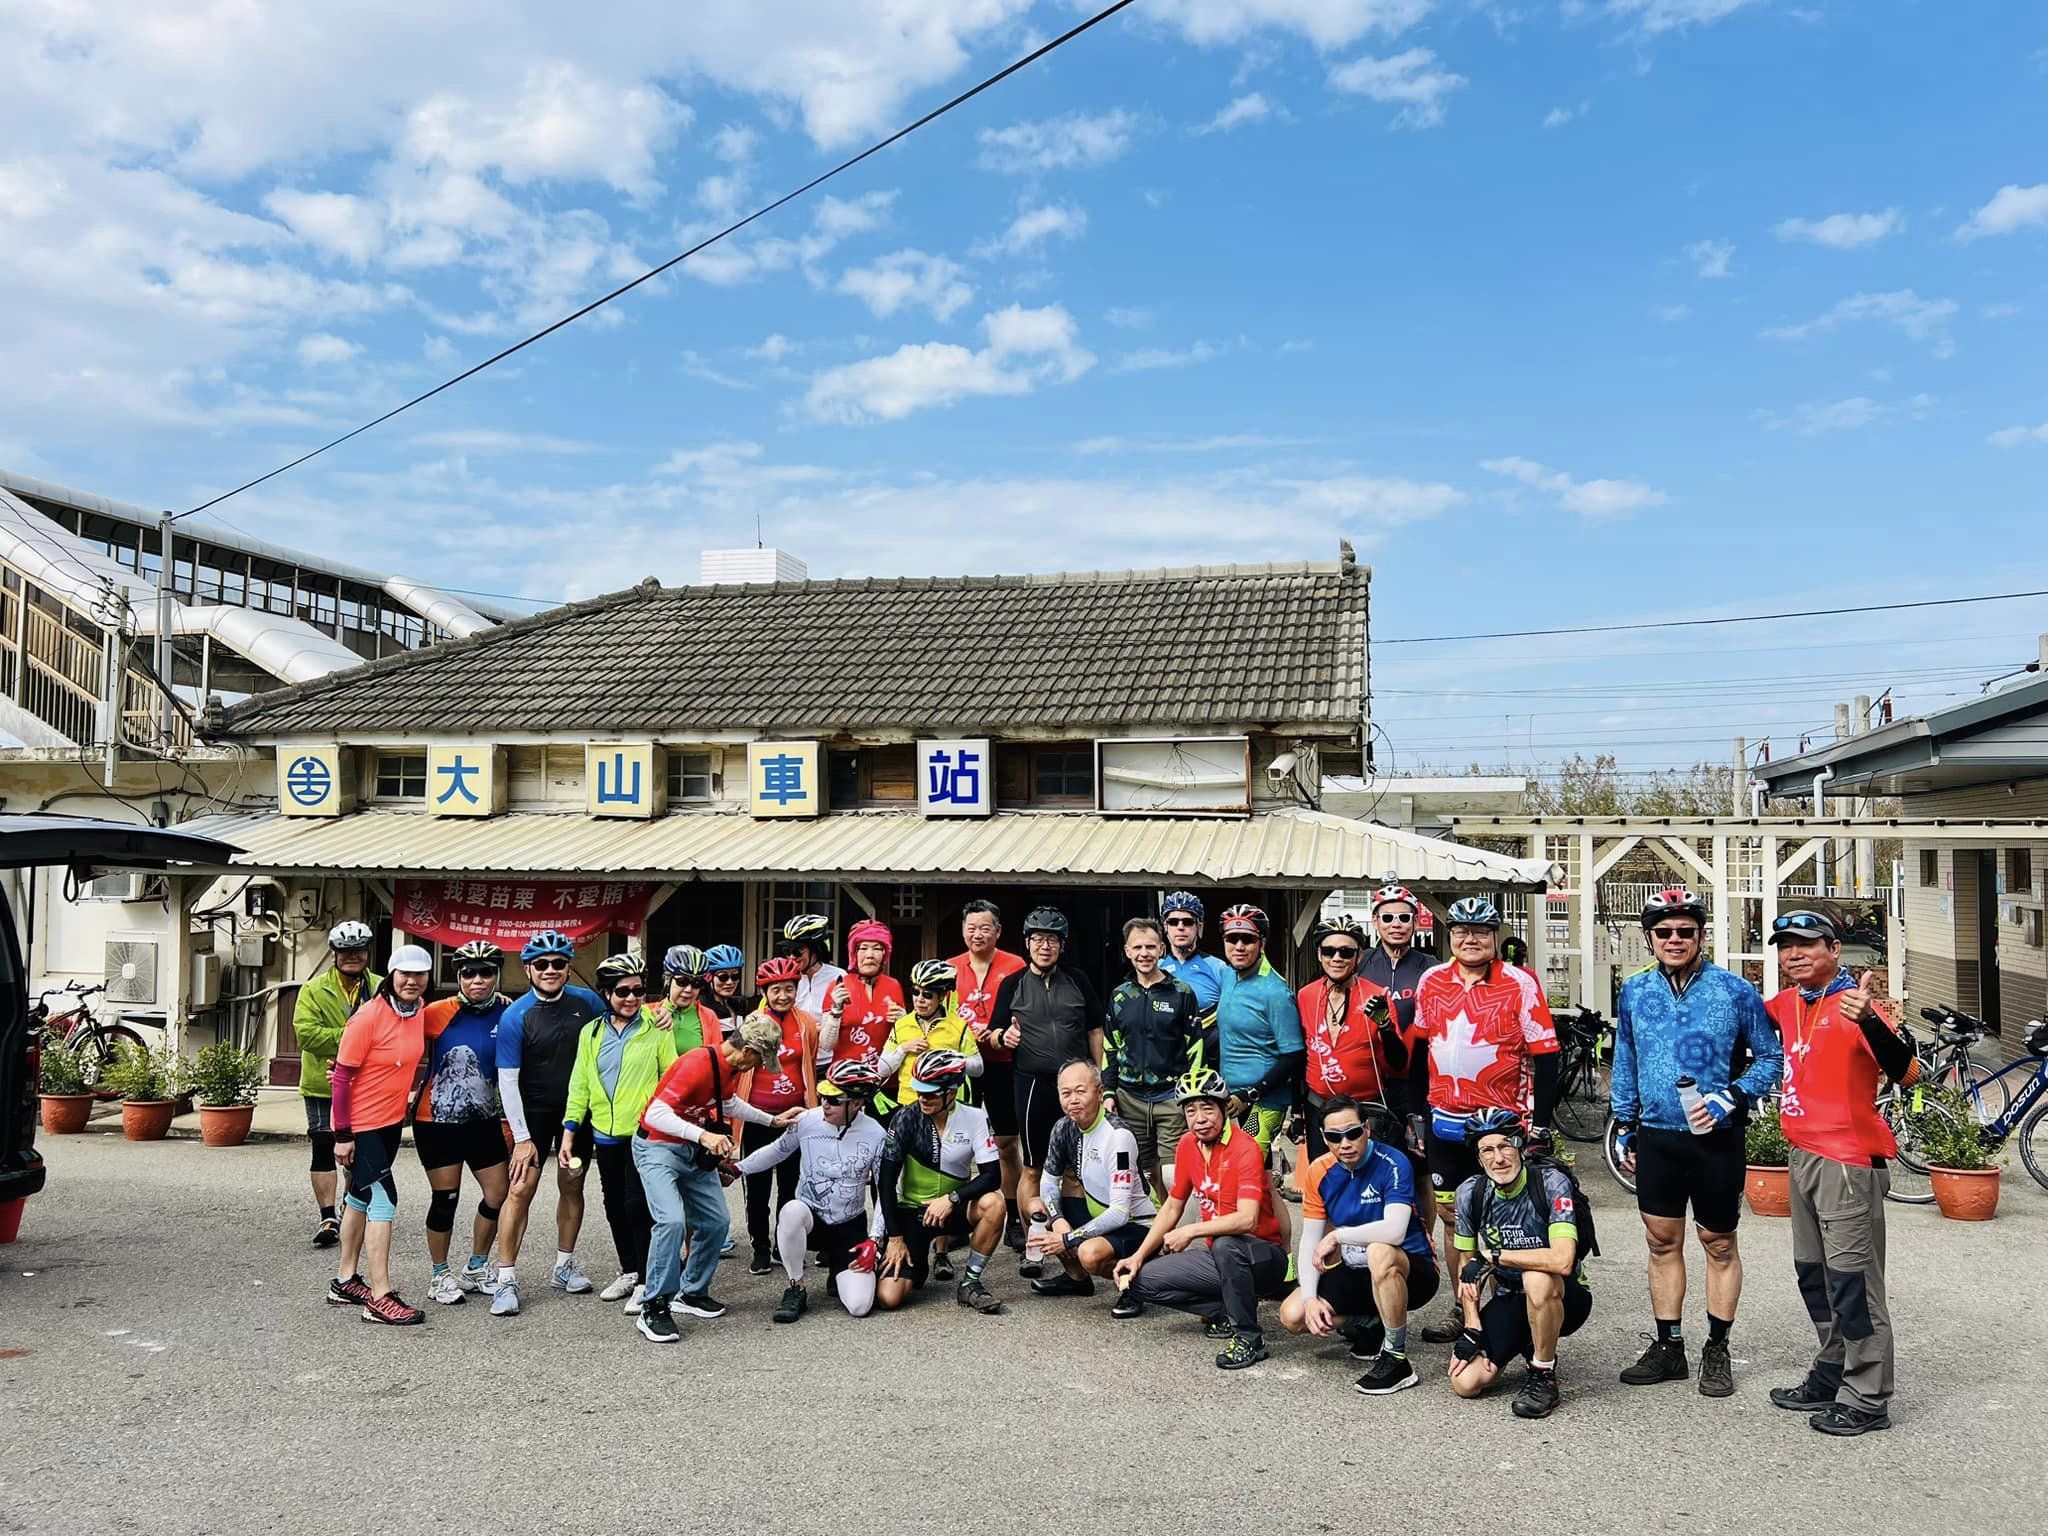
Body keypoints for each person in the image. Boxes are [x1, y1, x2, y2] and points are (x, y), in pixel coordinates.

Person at [1610, 888, 1783, 1399]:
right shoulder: (1635, 990)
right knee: (1661, 1241)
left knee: (1719, 1243)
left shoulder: (1734, 991)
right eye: (1664, 932)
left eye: (1686, 931)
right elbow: (1626, 1056)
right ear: (1649, 938)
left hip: (1716, 1138)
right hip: (1658, 1135)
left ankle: (1717, 1348)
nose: (1675, 939)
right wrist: (1623, 1123)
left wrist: (1730, 1098)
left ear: (1702, 936)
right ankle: (1670, 1348)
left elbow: (1770, 1059)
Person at [1763, 910, 1915, 1436]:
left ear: (1834, 948)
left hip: (1848, 1161)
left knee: (1854, 1284)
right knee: (1814, 1276)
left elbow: (1908, 1071)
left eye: (1806, 945)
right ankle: (1832, 1371)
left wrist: (1871, 1018)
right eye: (1785, 947)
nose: (1794, 954)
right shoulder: (1786, 1004)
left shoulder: (1858, 1005)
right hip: (1802, 1153)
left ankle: (1869, 1396)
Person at [1412, 896, 1559, 1324]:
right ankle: (1464, 1307)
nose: (1470, 939)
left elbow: (1546, 1056)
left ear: (1495, 938)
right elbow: (1422, 1049)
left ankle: (1507, 1308)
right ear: (1450, 937)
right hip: (1444, 1121)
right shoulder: (1432, 980)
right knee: (1452, 1214)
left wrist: (1542, 1125)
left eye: (1480, 931)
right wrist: (1419, 1115)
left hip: (1498, 1122)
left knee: (1502, 1213)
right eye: (1461, 931)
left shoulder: (1519, 982)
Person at [1112, 1069, 1291, 1370]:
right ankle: (1225, 1311)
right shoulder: (1187, 1146)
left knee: (1224, 1244)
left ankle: (1249, 1337)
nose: (1200, 1118)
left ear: (1223, 1108)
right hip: (1221, 1255)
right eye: (1191, 1110)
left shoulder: (1245, 1148)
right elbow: (1172, 1207)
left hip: (1263, 1258)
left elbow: (1247, 1219)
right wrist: (1138, 1256)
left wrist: (1190, 1232)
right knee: (1139, 1281)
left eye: (1208, 1108)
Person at [633, 1014, 788, 1342]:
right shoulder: (697, 1063)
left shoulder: (728, 1068)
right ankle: (654, 1306)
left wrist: (772, 1121)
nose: (759, 1067)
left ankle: (691, 1292)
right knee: (672, 1222)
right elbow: (656, 1114)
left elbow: (728, 1103)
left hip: (691, 1150)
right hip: (657, 1147)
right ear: (746, 1050)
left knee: (716, 1221)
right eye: (760, 1059)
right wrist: (704, 1136)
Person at [1280, 1096, 1440, 1394]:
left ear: (1366, 1129)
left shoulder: (1393, 1161)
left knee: (1380, 1250)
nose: (1345, 1143)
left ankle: (1396, 1359)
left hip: (1410, 1269)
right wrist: (1311, 1298)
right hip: (1357, 1270)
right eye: (1334, 1137)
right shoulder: (1319, 1171)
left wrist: (1338, 1236)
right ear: (1324, 1139)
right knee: (1294, 1315)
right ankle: (1371, 1323)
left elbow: (1393, 1231)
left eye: (1353, 1132)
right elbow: (1310, 1241)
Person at [488, 929, 607, 1318]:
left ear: (569, 968)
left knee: (572, 1184)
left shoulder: (588, 1002)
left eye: (558, 963)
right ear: (528, 969)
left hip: (577, 1114)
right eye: (542, 964)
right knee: (520, 1190)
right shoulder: (515, 1016)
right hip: (533, 1113)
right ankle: (505, 1278)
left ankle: (564, 1266)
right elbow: (507, 1081)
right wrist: (522, 1137)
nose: (550, 970)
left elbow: (620, 1030)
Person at [1444, 1109, 1594, 1419]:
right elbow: (1465, 1265)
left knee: (1536, 1278)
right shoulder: (1470, 1193)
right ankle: (1530, 1339)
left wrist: (1494, 1256)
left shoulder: (1550, 1182)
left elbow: (1563, 1260)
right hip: (1510, 1296)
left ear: (1520, 1146)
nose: (1498, 1158)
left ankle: (1543, 1374)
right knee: (1465, 1382)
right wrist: (1471, 1325)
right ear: (1478, 1157)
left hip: (1566, 1295)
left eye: (1505, 1146)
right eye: (1488, 1150)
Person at [562, 952, 678, 1319]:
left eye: (639, 991)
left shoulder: (657, 1027)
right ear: (605, 993)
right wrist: (569, 1130)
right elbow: (579, 1083)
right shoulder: (591, 1032)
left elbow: (670, 1078)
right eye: (622, 991)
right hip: (604, 1133)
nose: (632, 998)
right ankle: (630, 1270)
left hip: (643, 1132)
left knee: (636, 1204)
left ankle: (647, 1281)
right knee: (613, 1203)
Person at [991, 906, 1105, 1277]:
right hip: (1034, 1083)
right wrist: (1002, 1038)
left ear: (1061, 946)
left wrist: (1100, 1077)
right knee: (1032, 1169)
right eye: (1038, 939)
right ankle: (1033, 1245)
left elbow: (1094, 1031)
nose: (1044, 945)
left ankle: (1073, 1242)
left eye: (1052, 939)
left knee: (1074, 1169)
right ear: (1027, 943)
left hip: (1076, 1085)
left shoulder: (1078, 982)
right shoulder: (1012, 983)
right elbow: (993, 1034)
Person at [733, 1058, 891, 1324]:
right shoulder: (807, 1121)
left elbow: (884, 1190)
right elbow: (776, 1152)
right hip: (811, 1220)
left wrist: (874, 1241)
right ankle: (796, 1286)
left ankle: (838, 1273)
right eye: (822, 1095)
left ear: (856, 1103)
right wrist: (738, 1169)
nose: (824, 1103)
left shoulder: (876, 1134)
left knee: (860, 1307)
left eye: (833, 1099)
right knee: (791, 1210)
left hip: (849, 1226)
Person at [326, 945, 434, 1326]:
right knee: (384, 1201)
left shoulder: (419, 1011)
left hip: (390, 1122)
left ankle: (343, 1281)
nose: (412, 980)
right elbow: (341, 1077)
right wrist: (341, 1134)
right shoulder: (368, 1016)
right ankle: (380, 1296)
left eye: (420, 975)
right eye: (404, 973)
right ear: (391, 975)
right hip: (362, 1125)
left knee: (358, 1198)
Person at [413, 940, 511, 1305]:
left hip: (483, 1119)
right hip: (436, 1121)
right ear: (458, 977)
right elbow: (393, 1042)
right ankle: (440, 1275)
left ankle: (475, 1267)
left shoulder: (507, 1013)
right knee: (446, 1198)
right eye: (469, 973)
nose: (478, 980)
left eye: (486, 972)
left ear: (496, 975)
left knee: (498, 1193)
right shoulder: (435, 1012)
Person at [875, 1049, 1007, 1315]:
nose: (922, 1098)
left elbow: (993, 1176)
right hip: (911, 1212)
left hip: (950, 1208)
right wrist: (895, 1238)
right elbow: (885, 1182)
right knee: (889, 1298)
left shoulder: (975, 1118)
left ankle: (970, 1282)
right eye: (919, 1090)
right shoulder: (905, 1119)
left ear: (953, 1090)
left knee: (994, 1203)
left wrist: (952, 1199)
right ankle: (919, 1264)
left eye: (931, 1092)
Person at [1025, 1059, 1157, 1297]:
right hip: (1096, 1212)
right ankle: (1077, 1279)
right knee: (1035, 1206)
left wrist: (1068, 1239)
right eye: (1066, 1093)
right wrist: (1057, 1220)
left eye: (1080, 1091)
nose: (1072, 1100)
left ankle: (1137, 1287)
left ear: (1098, 1093)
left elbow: (1119, 1213)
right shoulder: (1063, 1127)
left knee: (1089, 1253)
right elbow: (1048, 1182)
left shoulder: (1118, 1137)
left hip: (1137, 1223)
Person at [1297, 916, 1419, 1162]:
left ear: (1359, 957)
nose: (1337, 958)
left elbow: (1398, 1064)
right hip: (1318, 1106)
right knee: (1324, 1185)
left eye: (1346, 952)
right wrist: (1297, 1112)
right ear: (1319, 955)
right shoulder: (1306, 995)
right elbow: (1299, 1055)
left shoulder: (1376, 996)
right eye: (1329, 951)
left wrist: (1385, 1025)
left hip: (1364, 1109)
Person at [1103, 915, 1207, 1200]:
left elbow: (1195, 1047)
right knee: (1142, 1171)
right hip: (1130, 1098)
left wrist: (1193, 1096)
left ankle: (1182, 1231)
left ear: (1162, 949)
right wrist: (1109, 1091)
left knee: (1175, 1173)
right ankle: (1157, 1229)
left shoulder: (1182, 993)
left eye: (1150, 947)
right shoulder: (1120, 996)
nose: (1144, 954)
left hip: (1171, 1098)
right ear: (1127, 951)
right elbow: (1110, 1048)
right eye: (1137, 948)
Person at [293, 920, 379, 1248]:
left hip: (365, 1084)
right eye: (346, 951)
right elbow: (305, 1034)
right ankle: (327, 1216)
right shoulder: (313, 989)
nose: (352, 957)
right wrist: (354, 1039)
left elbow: (388, 1031)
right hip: (320, 1083)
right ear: (335, 954)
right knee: (323, 1148)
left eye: (358, 950)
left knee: (356, 1151)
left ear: (368, 952)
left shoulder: (382, 986)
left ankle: (350, 1205)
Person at [736, 954, 820, 1273]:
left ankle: (782, 1243)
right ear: (764, 992)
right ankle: (759, 1246)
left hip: (796, 1118)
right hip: (758, 1116)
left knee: (791, 1187)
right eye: (775, 990)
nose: (783, 995)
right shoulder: (750, 1023)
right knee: (757, 1187)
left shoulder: (807, 1022)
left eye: (789, 988)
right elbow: (736, 1063)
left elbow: (812, 1064)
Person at [951, 899, 1027, 1251]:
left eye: (985, 928)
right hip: (960, 1066)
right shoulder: (949, 968)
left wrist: (993, 1030)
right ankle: (954, 1221)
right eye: (971, 927)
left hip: (1004, 1064)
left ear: (998, 931)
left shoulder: (1015, 965)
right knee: (956, 1146)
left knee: (1007, 1144)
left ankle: (1012, 1217)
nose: (977, 934)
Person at [1212, 903, 1303, 1154]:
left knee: (1247, 1161)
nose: (1239, 946)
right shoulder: (1228, 977)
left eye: (1247, 939)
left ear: (1261, 943)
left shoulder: (1276, 992)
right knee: (1255, 1171)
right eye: (1232, 938)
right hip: (1231, 1096)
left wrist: (1250, 1094)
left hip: (1264, 1099)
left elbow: (1293, 1056)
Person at [879, 959, 982, 1109]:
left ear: (941, 997)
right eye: (915, 992)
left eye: (927, 995)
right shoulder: (901, 1024)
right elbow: (882, 1069)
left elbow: (978, 1069)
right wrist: (903, 1049)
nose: (919, 999)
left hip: (945, 1106)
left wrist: (952, 1058)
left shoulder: (958, 1026)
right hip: (909, 1104)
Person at [830, 917, 904, 1068]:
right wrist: (836, 1011)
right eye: (863, 948)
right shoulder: (839, 985)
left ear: (885, 954)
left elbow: (905, 1036)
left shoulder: (894, 985)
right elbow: (826, 1044)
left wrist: (903, 1020)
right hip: (845, 1076)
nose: (870, 955)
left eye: (877, 948)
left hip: (885, 1077)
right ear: (854, 954)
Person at [1158, 891, 1229, 1019]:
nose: (1180, 927)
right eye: (1173, 922)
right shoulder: (1156, 967)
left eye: (1187, 922)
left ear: (1199, 927)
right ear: (1165, 927)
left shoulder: (1218, 967)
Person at [777, 913, 846, 1045]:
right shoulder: (784, 978)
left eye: (797, 951)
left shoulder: (838, 977)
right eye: (787, 951)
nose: (791, 957)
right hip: (796, 1057)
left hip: (827, 1059)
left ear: (815, 950)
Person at [650, 945, 724, 1053]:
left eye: (696, 983)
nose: (689, 989)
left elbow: (717, 1059)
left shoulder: (709, 1017)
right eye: (682, 982)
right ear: (667, 980)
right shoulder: (648, 1012)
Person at [703, 943, 748, 1022]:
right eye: (723, 977)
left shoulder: (739, 1004)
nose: (730, 982)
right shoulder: (701, 1007)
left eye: (735, 976)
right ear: (708, 977)